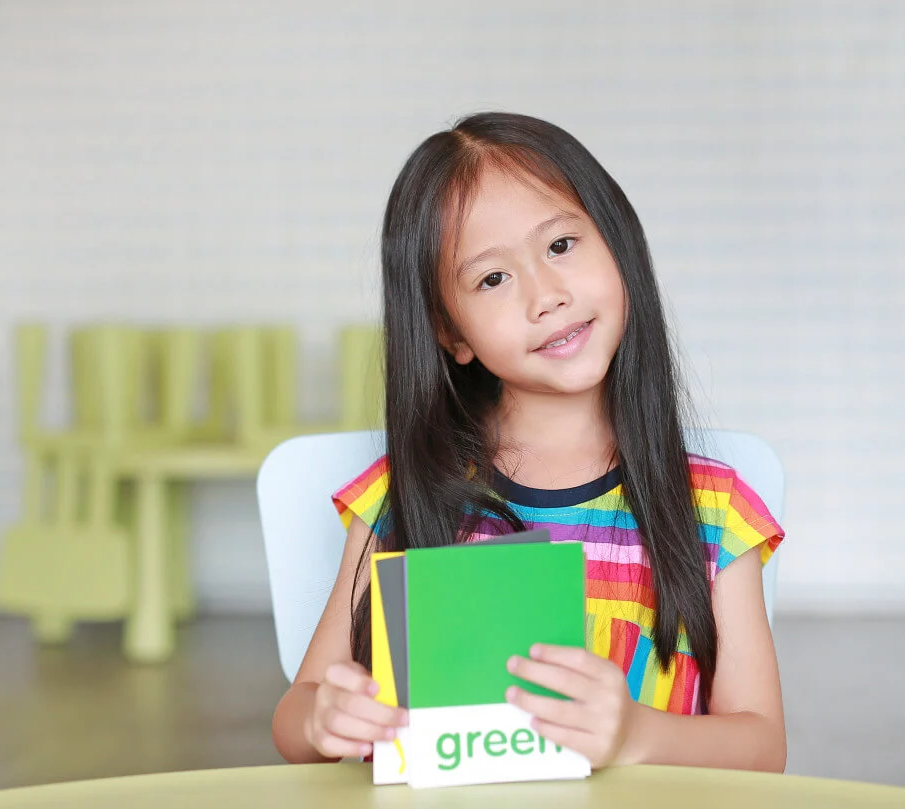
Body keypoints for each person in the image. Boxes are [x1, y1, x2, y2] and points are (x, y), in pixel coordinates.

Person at [272, 112, 786, 772]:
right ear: (450, 333)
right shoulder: (401, 495)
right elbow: (294, 719)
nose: (546, 296)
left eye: (562, 245)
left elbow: (763, 747)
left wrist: (636, 734)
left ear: (619, 245)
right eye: (492, 278)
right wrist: (321, 717)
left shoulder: (714, 508)